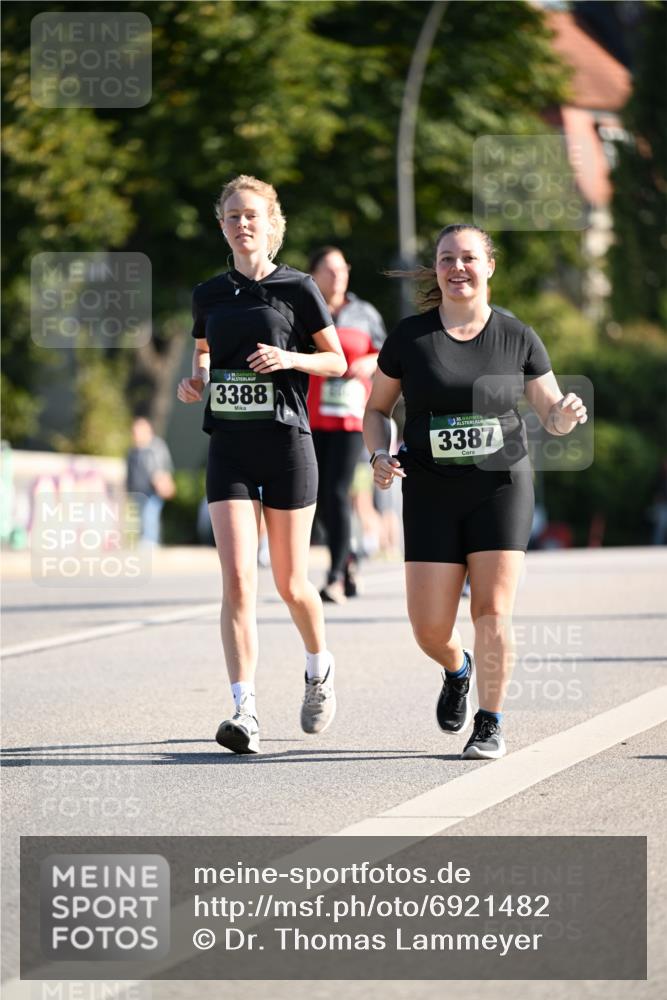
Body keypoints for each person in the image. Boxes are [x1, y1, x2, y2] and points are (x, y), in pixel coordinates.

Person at [363, 223, 587, 760]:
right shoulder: (409, 338)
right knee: (429, 628)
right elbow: (375, 410)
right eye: (446, 259)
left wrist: (564, 416)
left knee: (492, 611)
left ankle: (490, 722)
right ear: (436, 269)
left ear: (489, 266)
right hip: (428, 490)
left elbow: (549, 412)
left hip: (499, 485)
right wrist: (378, 454)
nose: (457, 268)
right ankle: (456, 669)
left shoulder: (517, 337)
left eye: (467, 258)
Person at [177, 175, 346, 754]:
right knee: (238, 581)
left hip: (287, 445)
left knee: (291, 582)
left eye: (251, 215)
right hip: (229, 445)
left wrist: (288, 356)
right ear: (220, 225)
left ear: (271, 222)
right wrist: (195, 380)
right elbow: (203, 352)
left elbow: (337, 362)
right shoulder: (209, 295)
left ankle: (318, 668)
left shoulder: (298, 289)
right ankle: (244, 710)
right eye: (231, 216)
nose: (242, 224)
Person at [307, 246, 387, 603]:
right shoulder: (304, 308)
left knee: (337, 491)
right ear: (314, 274)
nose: (337, 276)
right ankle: (349, 557)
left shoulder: (364, 312)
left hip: (353, 417)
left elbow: (388, 352)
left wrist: (370, 362)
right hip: (311, 416)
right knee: (321, 496)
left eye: (342, 269)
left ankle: (336, 573)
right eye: (328, 269)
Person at [125, 417, 175, 544]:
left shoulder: (156, 447)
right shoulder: (133, 451)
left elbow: (163, 467)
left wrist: (162, 481)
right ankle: (147, 541)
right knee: (141, 517)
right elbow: (130, 473)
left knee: (150, 516)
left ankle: (149, 542)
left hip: (153, 490)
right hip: (138, 491)